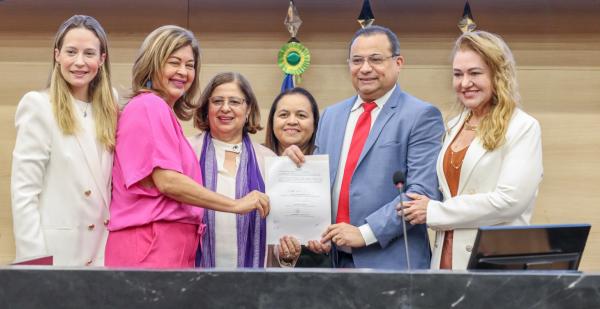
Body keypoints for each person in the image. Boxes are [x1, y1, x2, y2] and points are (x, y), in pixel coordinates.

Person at [104, 27, 269, 269]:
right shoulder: (150, 105)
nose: (183, 72)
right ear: (153, 64)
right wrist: (235, 204)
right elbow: (168, 181)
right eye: (174, 63)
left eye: (190, 65)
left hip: (166, 246)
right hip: (151, 245)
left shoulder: (161, 112)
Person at [284, 25, 444, 269]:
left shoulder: (421, 116)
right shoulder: (331, 116)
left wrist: (366, 232)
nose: (365, 68)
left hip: (393, 262)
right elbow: (319, 185)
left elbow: (420, 193)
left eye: (376, 59)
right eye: (357, 60)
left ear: (398, 62)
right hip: (334, 261)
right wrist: (295, 167)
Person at [401, 30, 543, 270]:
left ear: (498, 75)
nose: (464, 83)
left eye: (475, 73)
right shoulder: (453, 125)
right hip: (444, 257)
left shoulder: (523, 127)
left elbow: (509, 201)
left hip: (492, 261)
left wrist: (435, 211)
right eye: (458, 74)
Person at [11, 15, 118, 266]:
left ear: (102, 60)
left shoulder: (111, 105)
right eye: (71, 52)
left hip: (103, 254)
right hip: (57, 255)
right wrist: (33, 264)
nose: (79, 62)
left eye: (89, 53)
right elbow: (24, 193)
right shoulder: (38, 105)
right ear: (57, 55)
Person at [189, 72, 298, 267]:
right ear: (207, 108)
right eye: (217, 101)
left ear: (248, 109)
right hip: (193, 276)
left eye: (234, 102)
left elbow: (277, 230)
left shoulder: (268, 160)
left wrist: (285, 252)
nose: (225, 108)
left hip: (252, 283)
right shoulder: (187, 151)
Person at [263, 87, 330, 267]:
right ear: (272, 121)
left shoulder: (331, 165)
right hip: (263, 268)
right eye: (284, 115)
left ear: (315, 123)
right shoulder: (255, 159)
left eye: (301, 115)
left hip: (320, 265)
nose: (292, 121)